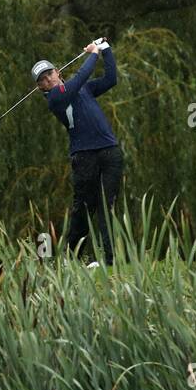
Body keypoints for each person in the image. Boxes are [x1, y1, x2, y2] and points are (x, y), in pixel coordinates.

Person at [32, 38, 123, 267]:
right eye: (42, 80)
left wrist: (106, 50)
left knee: (106, 206)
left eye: (49, 74)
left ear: (57, 72)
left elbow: (111, 79)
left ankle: (109, 261)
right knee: (83, 208)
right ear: (41, 87)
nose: (47, 80)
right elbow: (77, 80)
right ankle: (72, 257)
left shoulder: (83, 88)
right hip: (84, 157)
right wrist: (93, 54)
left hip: (110, 151)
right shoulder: (55, 98)